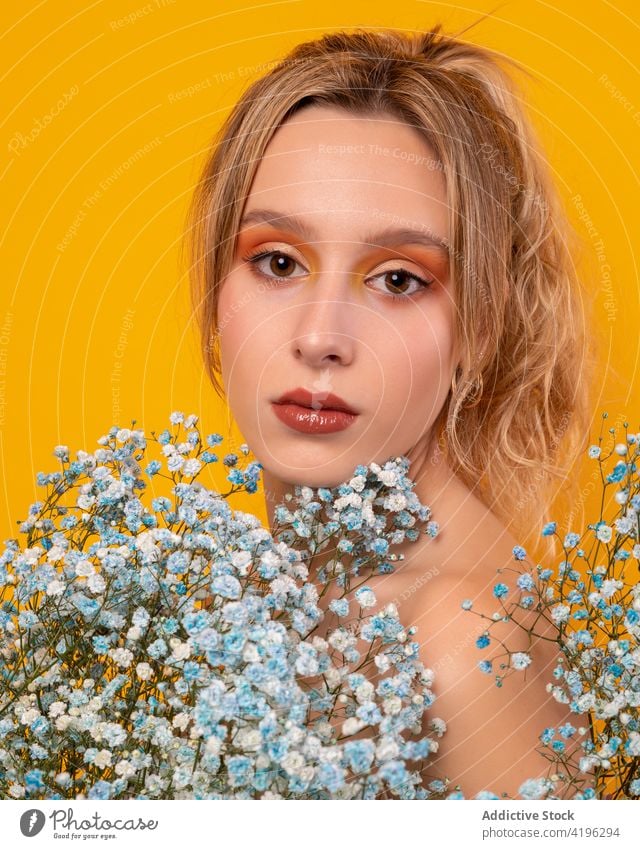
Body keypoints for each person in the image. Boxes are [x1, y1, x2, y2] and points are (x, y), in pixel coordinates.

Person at [184, 23, 596, 798]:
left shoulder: (460, 639)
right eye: (277, 262)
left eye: (399, 279)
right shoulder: (246, 592)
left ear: (478, 325)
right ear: (214, 291)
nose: (319, 337)